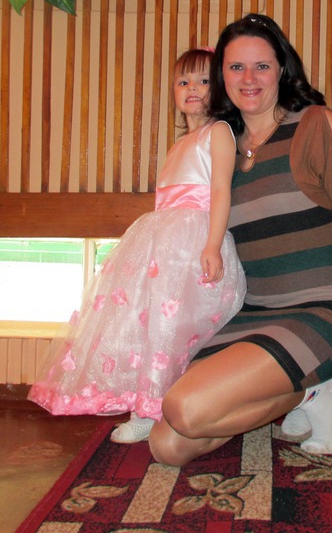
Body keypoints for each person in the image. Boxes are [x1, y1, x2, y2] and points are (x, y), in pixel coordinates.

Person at [148, 14, 332, 465]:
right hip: (250, 310)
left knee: (186, 409)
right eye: (236, 67)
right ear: (222, 75)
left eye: (262, 66)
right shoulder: (221, 143)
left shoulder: (315, 124)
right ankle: (307, 392)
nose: (248, 78)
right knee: (168, 444)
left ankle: (314, 386)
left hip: (316, 309)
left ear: (282, 70)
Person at [28, 48, 246, 444]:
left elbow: (220, 191)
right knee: (148, 327)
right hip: (162, 247)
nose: (192, 88)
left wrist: (212, 245)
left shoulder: (218, 133)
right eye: (183, 82)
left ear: (219, 88)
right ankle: (146, 407)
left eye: (203, 81)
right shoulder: (181, 143)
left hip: (194, 245)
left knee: (173, 330)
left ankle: (166, 407)